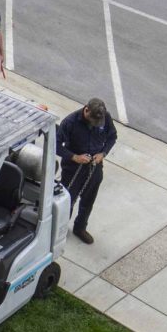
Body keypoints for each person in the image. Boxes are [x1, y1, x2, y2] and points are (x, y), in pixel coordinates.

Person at [55, 98, 117, 244]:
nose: (93, 124)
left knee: (88, 200)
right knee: (68, 200)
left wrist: (103, 154)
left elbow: (112, 137)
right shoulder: (70, 122)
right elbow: (56, 144)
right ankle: (59, 230)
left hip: (94, 166)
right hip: (73, 168)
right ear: (86, 109)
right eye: (91, 120)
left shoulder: (105, 117)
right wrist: (74, 157)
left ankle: (80, 228)